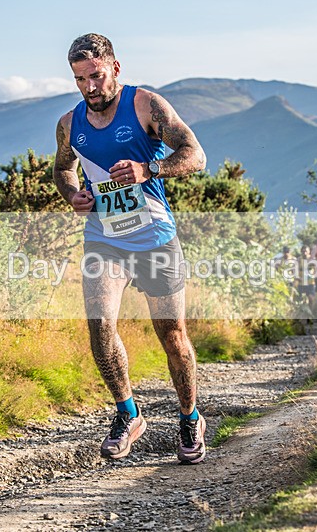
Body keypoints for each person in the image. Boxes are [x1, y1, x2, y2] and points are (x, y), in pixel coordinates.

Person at [52, 34, 208, 464]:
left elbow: (196, 155)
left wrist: (148, 168)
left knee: (171, 335)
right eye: (80, 79)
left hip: (154, 237)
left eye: (97, 76)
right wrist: (72, 195)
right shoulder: (69, 124)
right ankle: (128, 413)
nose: (90, 87)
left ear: (115, 69)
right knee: (99, 326)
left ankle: (190, 416)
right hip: (105, 238)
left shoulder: (145, 106)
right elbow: (62, 168)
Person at [296, 244, 316, 321]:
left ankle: (310, 315)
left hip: (311, 283)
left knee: (311, 299)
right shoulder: (298, 260)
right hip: (301, 283)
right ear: (301, 252)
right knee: (300, 301)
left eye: (306, 251)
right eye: (303, 251)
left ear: (309, 252)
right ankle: (301, 317)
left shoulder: (312, 260)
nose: (304, 253)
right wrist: (297, 277)